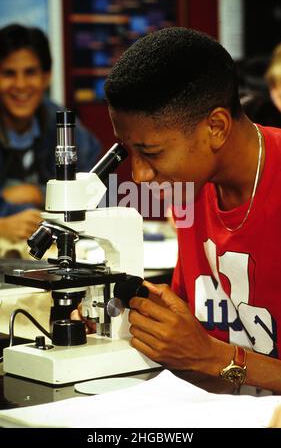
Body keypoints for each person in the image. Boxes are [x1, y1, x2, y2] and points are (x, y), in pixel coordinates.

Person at [73, 26, 281, 394]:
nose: (137, 175)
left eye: (151, 153)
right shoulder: (190, 188)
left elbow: (204, 354)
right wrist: (129, 322)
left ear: (215, 127)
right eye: (127, 151)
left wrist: (212, 357)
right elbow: (193, 334)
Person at [0, 24, 102, 243]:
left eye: (30, 72)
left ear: (46, 77)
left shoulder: (64, 126)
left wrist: (40, 194)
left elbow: (97, 192)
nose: (20, 85)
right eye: (9, 73)